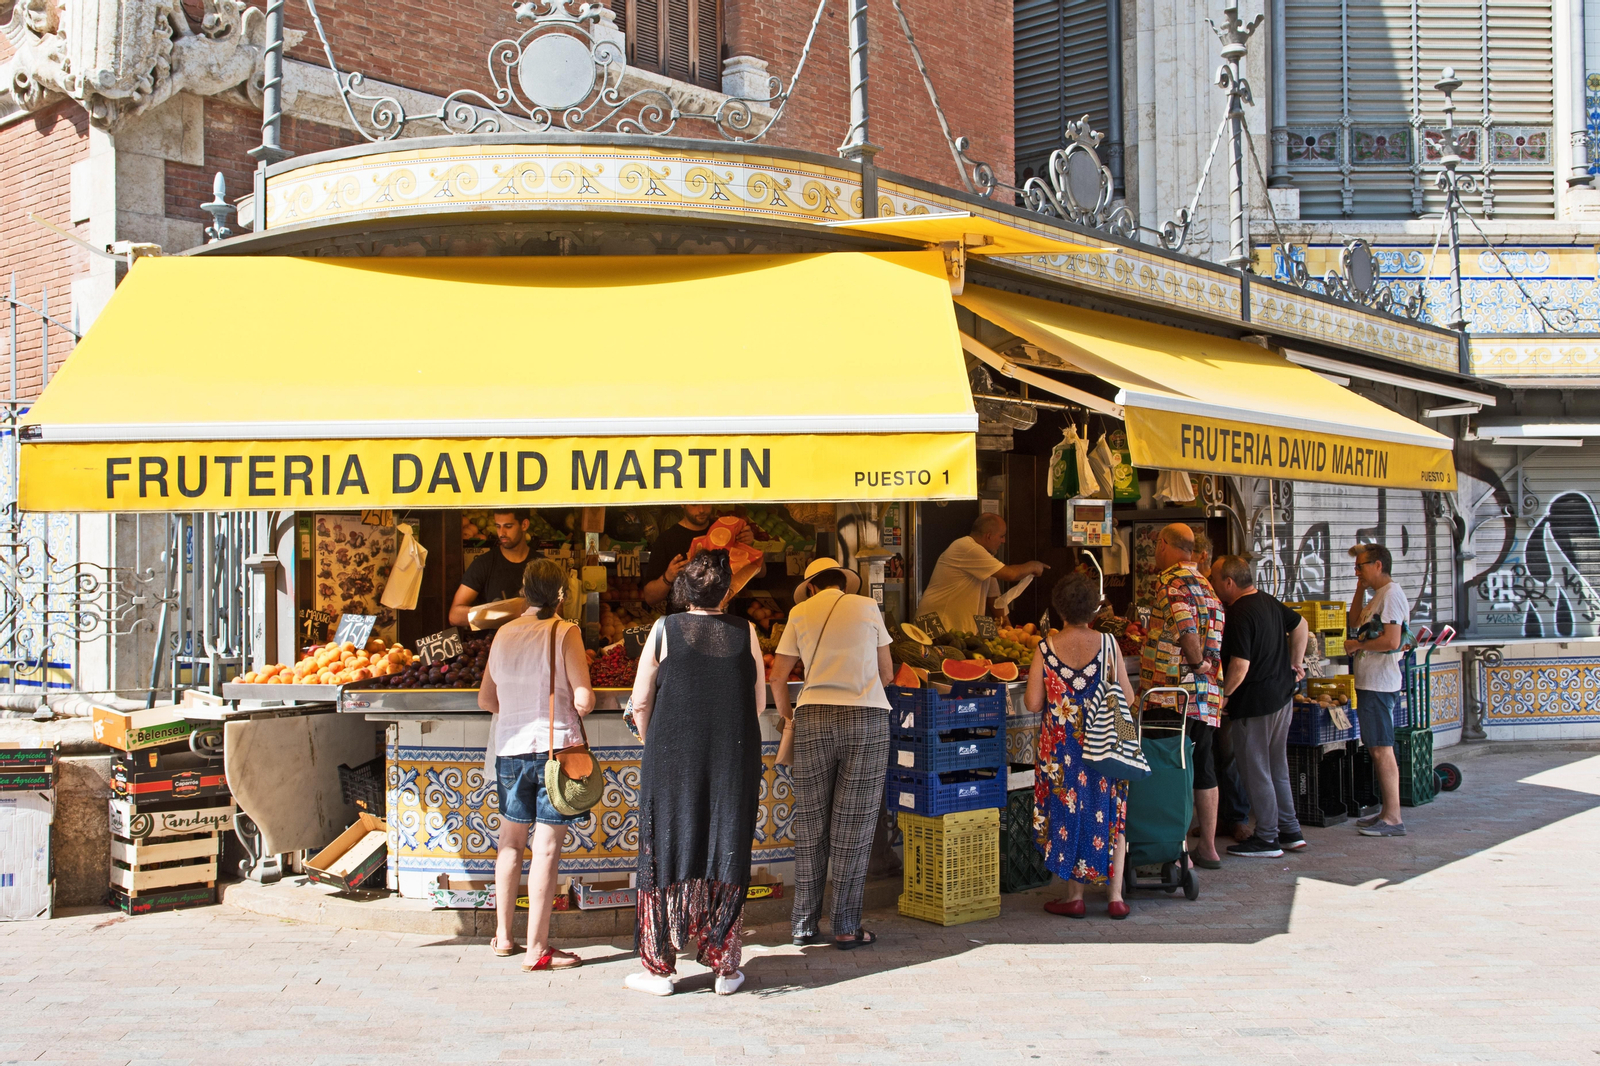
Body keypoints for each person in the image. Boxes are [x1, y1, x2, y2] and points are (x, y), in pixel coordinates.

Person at [625, 549, 766, 996]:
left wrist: (656, 742)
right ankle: (725, 967)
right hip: (733, 754)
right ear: (727, 591)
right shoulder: (747, 631)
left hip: (670, 755)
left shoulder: (664, 629)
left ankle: (659, 968)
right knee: (726, 842)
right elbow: (758, 702)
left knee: (667, 844)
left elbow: (640, 701)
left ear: (684, 588)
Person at [769, 557, 895, 950]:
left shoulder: (799, 612)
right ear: (845, 583)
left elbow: (777, 676)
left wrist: (790, 715)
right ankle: (845, 926)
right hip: (867, 719)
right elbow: (887, 673)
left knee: (811, 825)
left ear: (810, 587)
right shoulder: (866, 606)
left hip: (813, 717)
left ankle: (804, 925)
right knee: (852, 827)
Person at [477, 558, 595, 971]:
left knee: (509, 843)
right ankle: (537, 948)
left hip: (509, 750)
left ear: (524, 592)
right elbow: (584, 700)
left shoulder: (503, 633)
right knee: (545, 849)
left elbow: (486, 701)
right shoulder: (566, 631)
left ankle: (504, 937)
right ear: (562, 594)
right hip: (555, 751)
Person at [1026, 571, 1131, 919]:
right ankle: (1115, 897)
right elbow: (1127, 697)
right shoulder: (1110, 645)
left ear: (1059, 609)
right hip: (1105, 747)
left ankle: (1075, 897)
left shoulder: (1046, 648)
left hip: (1061, 751)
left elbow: (1032, 703)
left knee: (1070, 812)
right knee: (1110, 813)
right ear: (1095, 609)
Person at [1210, 555, 1310, 858]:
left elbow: (1240, 665)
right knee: (1276, 766)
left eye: (1215, 579)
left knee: (1256, 770)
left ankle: (1267, 837)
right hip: (1281, 697)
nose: (1213, 585)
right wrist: (1295, 662)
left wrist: (1223, 697)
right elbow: (1302, 624)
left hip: (1255, 704)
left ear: (1229, 582)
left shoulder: (1239, 612)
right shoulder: (1267, 600)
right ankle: (1289, 830)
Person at [1139, 523, 1226, 868]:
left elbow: (1184, 623)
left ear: (1162, 545)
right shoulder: (1207, 585)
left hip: (1171, 695)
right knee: (1202, 768)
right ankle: (1208, 846)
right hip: (1206, 697)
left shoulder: (1171, 581)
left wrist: (1196, 660)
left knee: (1170, 769)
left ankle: (1178, 852)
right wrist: (1206, 667)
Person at [1345, 542, 1410, 837]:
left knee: (1382, 749)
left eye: (1361, 566)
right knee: (1375, 746)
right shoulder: (1377, 596)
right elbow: (1354, 620)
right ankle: (1386, 811)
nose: (1357, 571)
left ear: (1378, 565)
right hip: (1368, 683)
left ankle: (1393, 817)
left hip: (1380, 685)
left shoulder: (1392, 595)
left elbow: (1392, 641)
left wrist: (1359, 645)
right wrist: (1359, 587)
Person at [917, 513, 1049, 634]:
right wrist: (1033, 565)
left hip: (957, 632)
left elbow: (995, 601)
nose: (1003, 541)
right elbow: (1011, 574)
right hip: (938, 626)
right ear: (989, 536)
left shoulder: (985, 560)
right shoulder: (968, 548)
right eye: (1001, 536)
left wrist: (1010, 632)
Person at [641, 505, 756, 608]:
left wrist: (749, 547)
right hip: (683, 625)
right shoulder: (666, 540)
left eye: (705, 503)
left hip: (724, 621)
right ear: (682, 503)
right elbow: (650, 598)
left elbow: (761, 572)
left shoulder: (726, 530)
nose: (701, 510)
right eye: (694, 504)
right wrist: (668, 577)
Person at [449, 509, 534, 626]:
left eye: (508, 526)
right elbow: (455, 615)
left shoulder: (543, 566)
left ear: (524, 525)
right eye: (498, 526)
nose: (501, 533)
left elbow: (558, 612)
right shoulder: (484, 564)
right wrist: (500, 613)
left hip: (532, 642)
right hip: (492, 642)